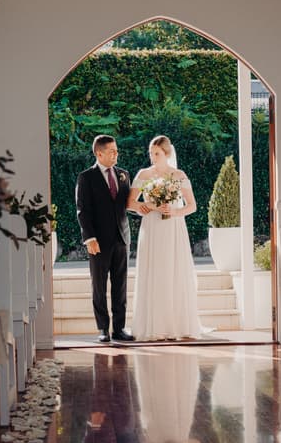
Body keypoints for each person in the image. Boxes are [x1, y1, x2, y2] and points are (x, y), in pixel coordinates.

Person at [128, 134, 203, 340]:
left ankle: (175, 326)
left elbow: (192, 206)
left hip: (173, 228)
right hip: (152, 228)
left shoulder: (178, 175)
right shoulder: (144, 174)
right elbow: (130, 203)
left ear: (167, 154)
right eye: (151, 153)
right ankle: (154, 326)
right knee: (154, 271)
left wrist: (174, 211)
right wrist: (149, 205)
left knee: (173, 272)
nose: (153, 157)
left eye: (157, 154)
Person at [76, 135, 135, 342]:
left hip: (122, 238)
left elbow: (129, 204)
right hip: (98, 241)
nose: (116, 154)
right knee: (99, 286)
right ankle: (103, 329)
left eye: (116, 150)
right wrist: (89, 238)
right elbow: (83, 210)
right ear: (99, 153)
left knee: (120, 286)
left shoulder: (124, 175)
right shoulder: (86, 177)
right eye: (112, 151)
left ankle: (119, 328)